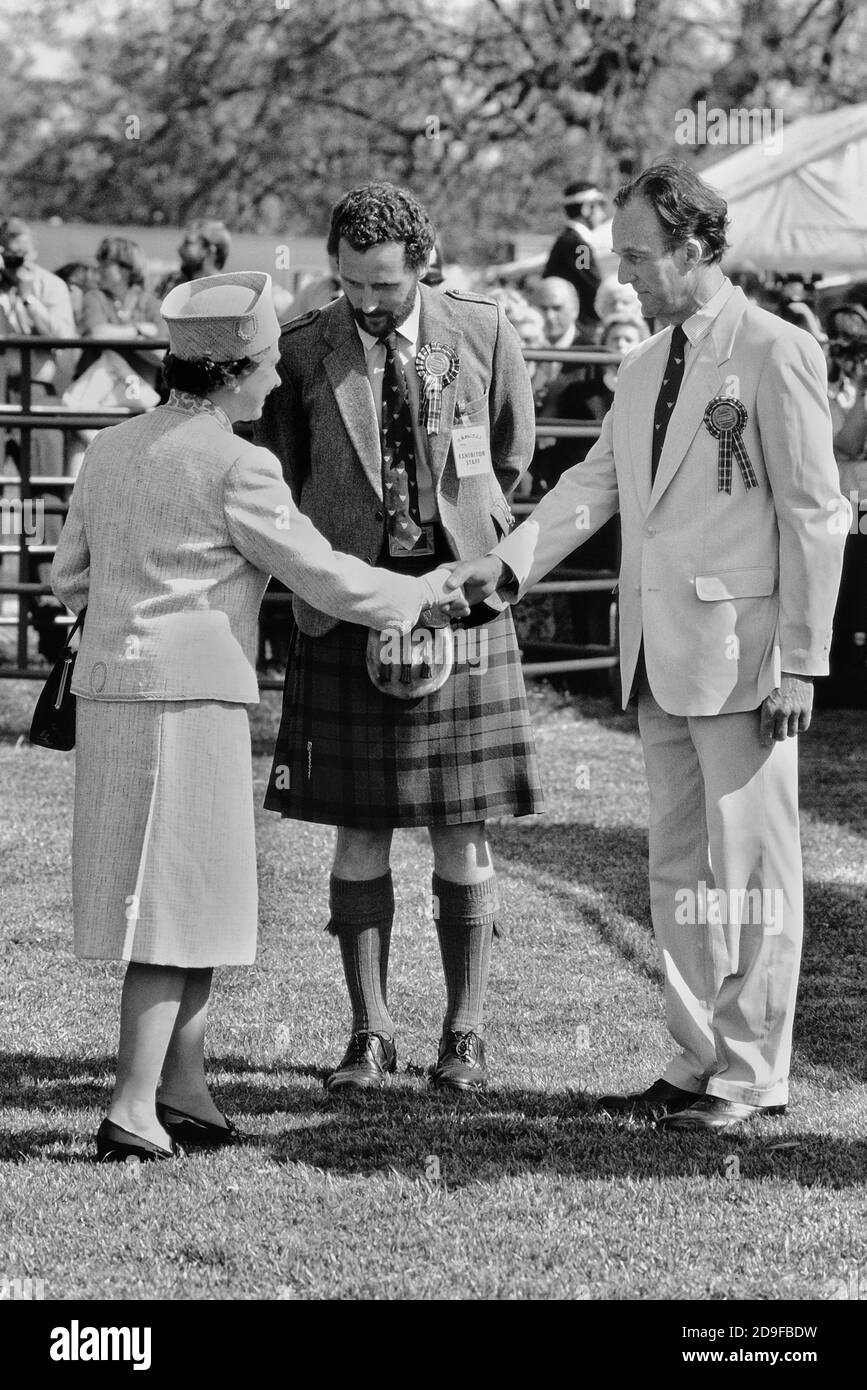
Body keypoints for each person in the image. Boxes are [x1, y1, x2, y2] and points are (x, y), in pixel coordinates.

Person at [448, 160, 849, 1133]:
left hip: (747, 657)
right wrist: (508, 567)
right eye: (618, 254)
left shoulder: (776, 350)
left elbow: (816, 515)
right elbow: (593, 488)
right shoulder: (642, 366)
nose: (619, 276)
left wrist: (801, 660)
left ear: (697, 245)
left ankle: (754, 1072)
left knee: (753, 872)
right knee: (676, 868)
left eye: (635, 254)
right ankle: (698, 1052)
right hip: (658, 655)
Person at [50, 270, 465, 1163]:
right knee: (167, 912)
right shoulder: (241, 464)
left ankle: (184, 1089)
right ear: (235, 371)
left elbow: (68, 576)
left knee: (187, 901)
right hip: (189, 698)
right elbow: (323, 574)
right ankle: (130, 1108)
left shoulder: (112, 447)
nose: (278, 380)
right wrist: (423, 595)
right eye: (270, 364)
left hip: (115, 693)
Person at [256, 181, 542, 1095]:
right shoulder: (304, 350)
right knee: (359, 828)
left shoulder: (486, 333)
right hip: (347, 612)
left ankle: (464, 1035)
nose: (366, 304)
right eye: (350, 285)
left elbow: (509, 457)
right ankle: (369, 1034)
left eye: (382, 286)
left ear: (422, 262)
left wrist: (461, 561)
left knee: (462, 828)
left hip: (460, 605)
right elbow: (284, 478)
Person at [0, 216, 76, 477]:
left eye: (24, 252)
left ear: (34, 250)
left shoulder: (51, 285)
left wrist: (29, 298)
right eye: (12, 253)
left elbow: (65, 338)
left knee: (41, 486)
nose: (19, 260)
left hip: (37, 390)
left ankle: (37, 521)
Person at [543, 179, 606, 326]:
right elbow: (590, 282)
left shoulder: (571, 241)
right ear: (586, 208)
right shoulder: (577, 245)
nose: (603, 215)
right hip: (579, 324)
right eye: (600, 207)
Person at [157, 219, 231, 297]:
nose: (180, 249)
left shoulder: (222, 292)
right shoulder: (172, 281)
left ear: (209, 251)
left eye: (188, 243)